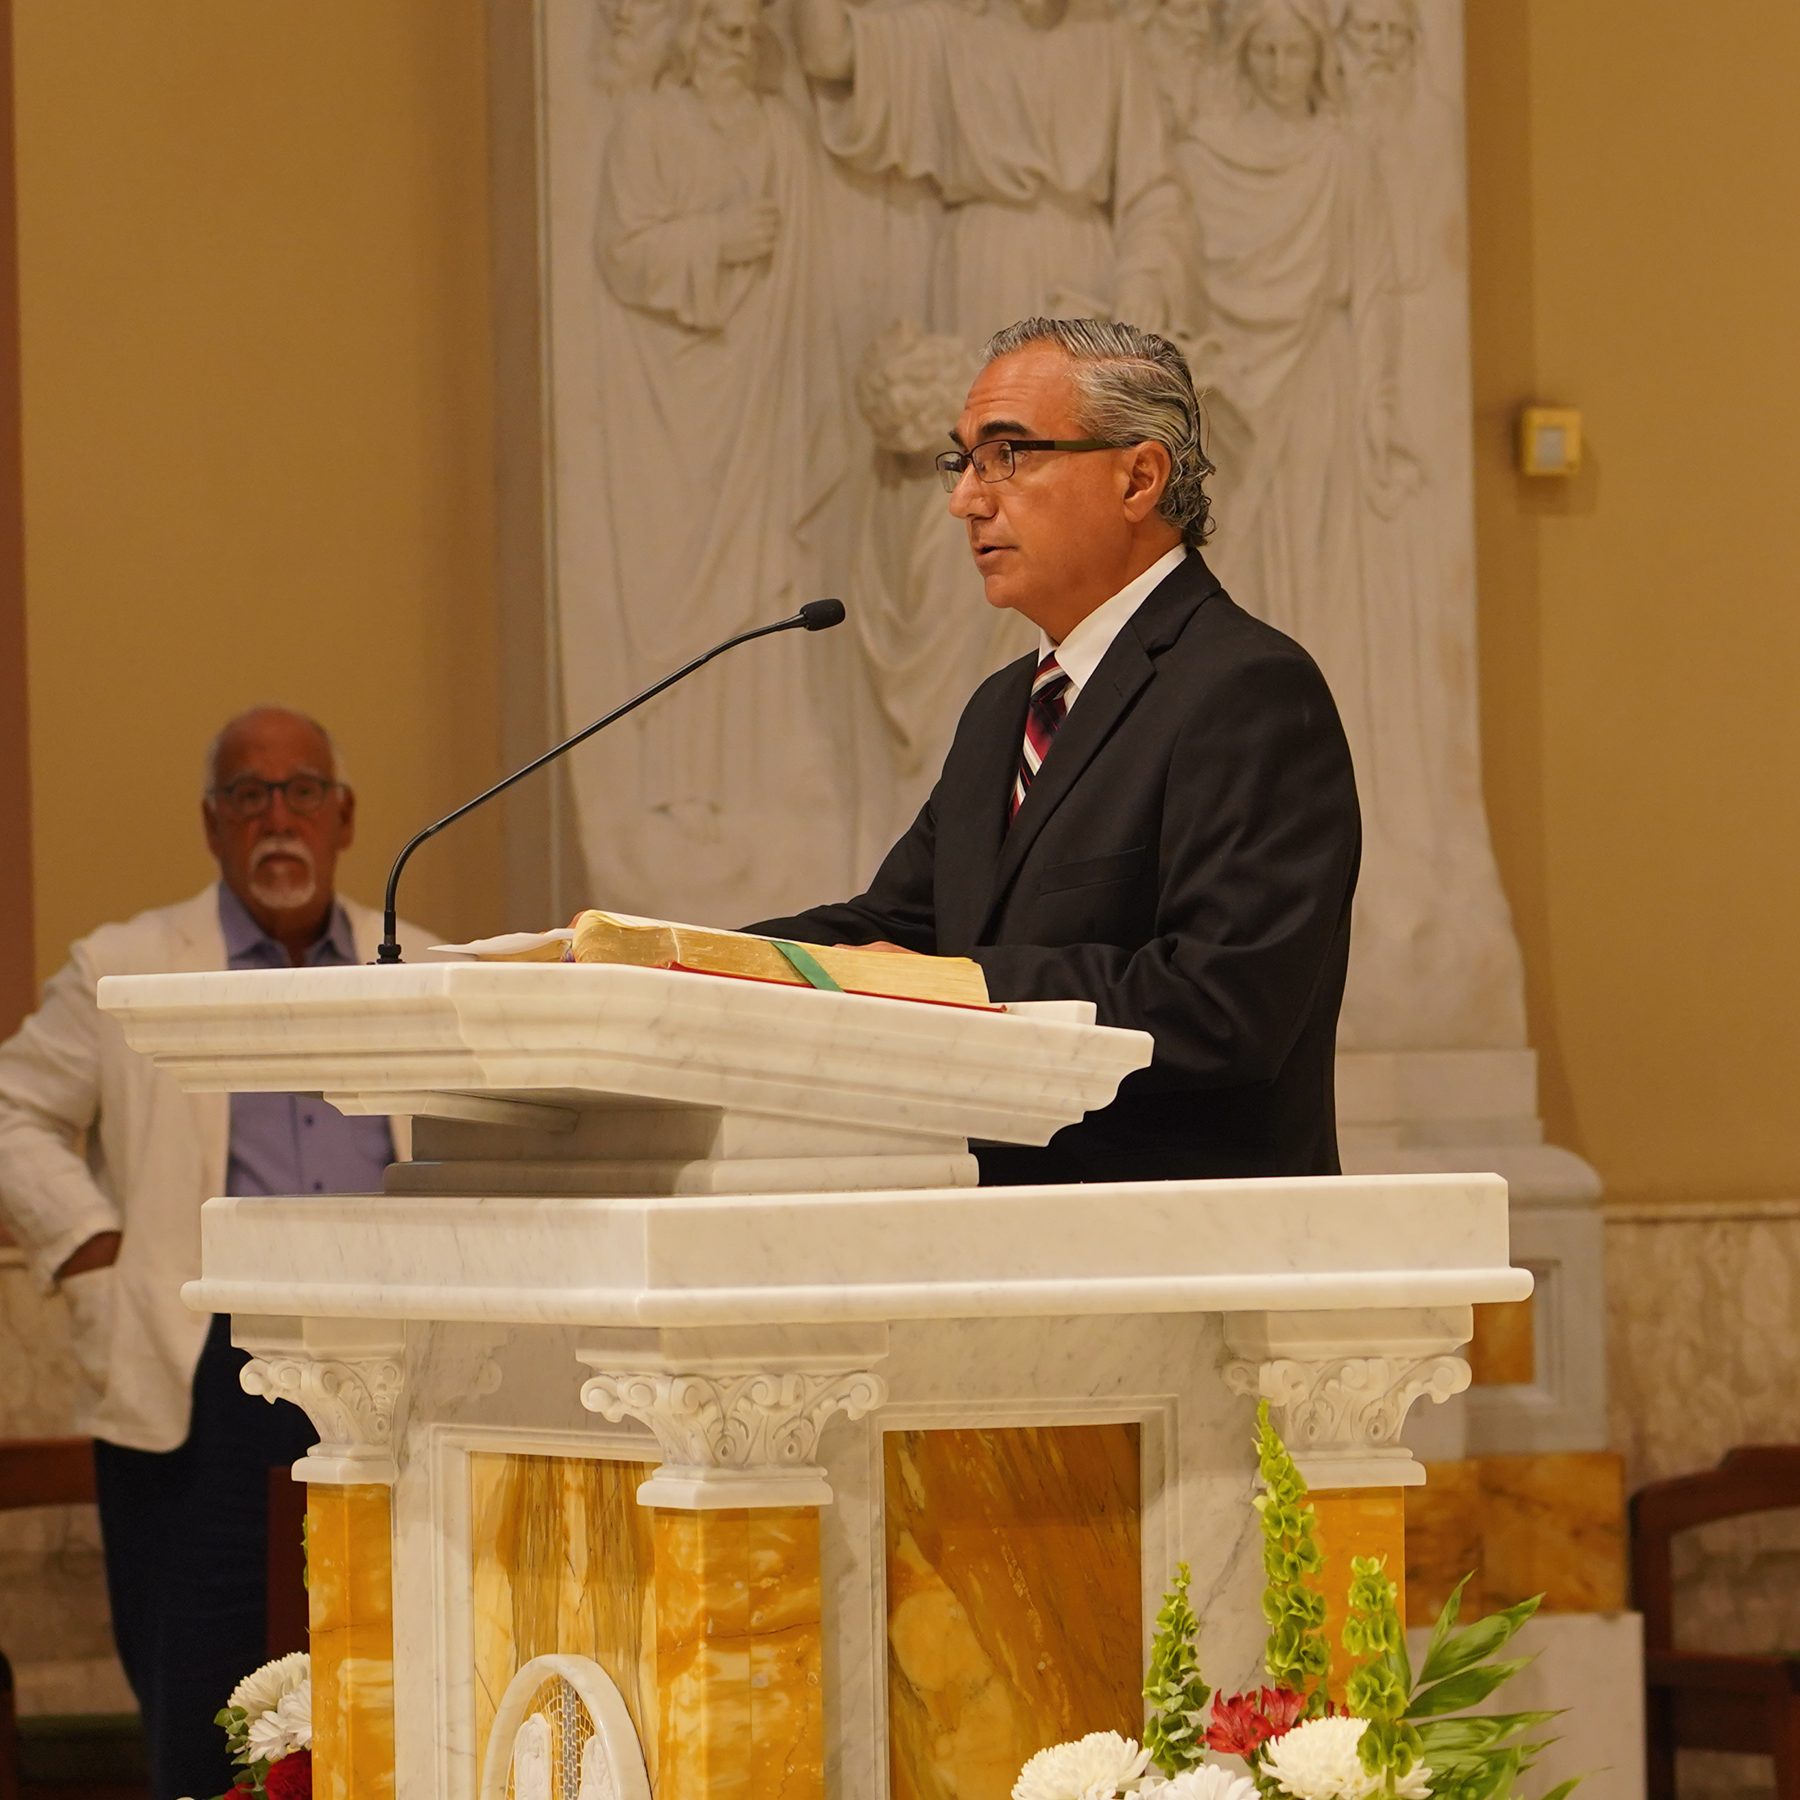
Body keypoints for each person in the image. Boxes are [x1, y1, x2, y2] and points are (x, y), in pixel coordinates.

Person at [752, 317, 1360, 1182]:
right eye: (964, 461)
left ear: (1138, 478)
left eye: (1007, 455)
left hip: (1179, 1232)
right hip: (998, 1223)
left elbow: (1222, 1006)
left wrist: (954, 986)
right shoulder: (1003, 709)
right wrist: (670, 962)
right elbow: (898, 928)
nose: (966, 501)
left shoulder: (1248, 690)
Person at [0, 706, 436, 1800]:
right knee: (204, 1704)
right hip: (204, 1381)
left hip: (399, 1373)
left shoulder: (423, 964)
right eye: (248, 795)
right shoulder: (128, 966)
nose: (276, 817)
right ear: (211, 824)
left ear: (344, 818)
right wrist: (92, 1242)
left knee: (401, 1682)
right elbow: (11, 1109)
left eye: (302, 792)